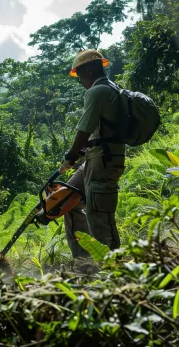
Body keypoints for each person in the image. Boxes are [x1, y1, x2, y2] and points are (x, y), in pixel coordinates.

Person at [59, 49, 126, 257]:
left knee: (99, 217)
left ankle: (114, 269)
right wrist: (80, 152)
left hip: (103, 161)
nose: (79, 80)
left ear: (89, 70)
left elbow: (84, 130)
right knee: (65, 197)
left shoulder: (97, 92)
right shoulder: (111, 90)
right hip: (95, 157)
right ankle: (84, 261)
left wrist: (69, 157)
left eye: (79, 75)